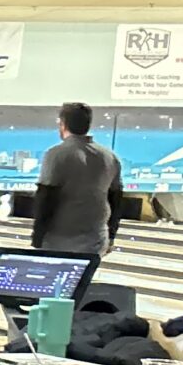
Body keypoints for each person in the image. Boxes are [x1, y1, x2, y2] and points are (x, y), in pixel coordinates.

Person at [34, 100, 123, 257]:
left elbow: (46, 197)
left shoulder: (56, 154)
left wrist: (38, 236)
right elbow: (116, 200)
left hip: (59, 239)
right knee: (82, 281)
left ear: (63, 124)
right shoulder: (109, 157)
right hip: (96, 238)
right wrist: (112, 236)